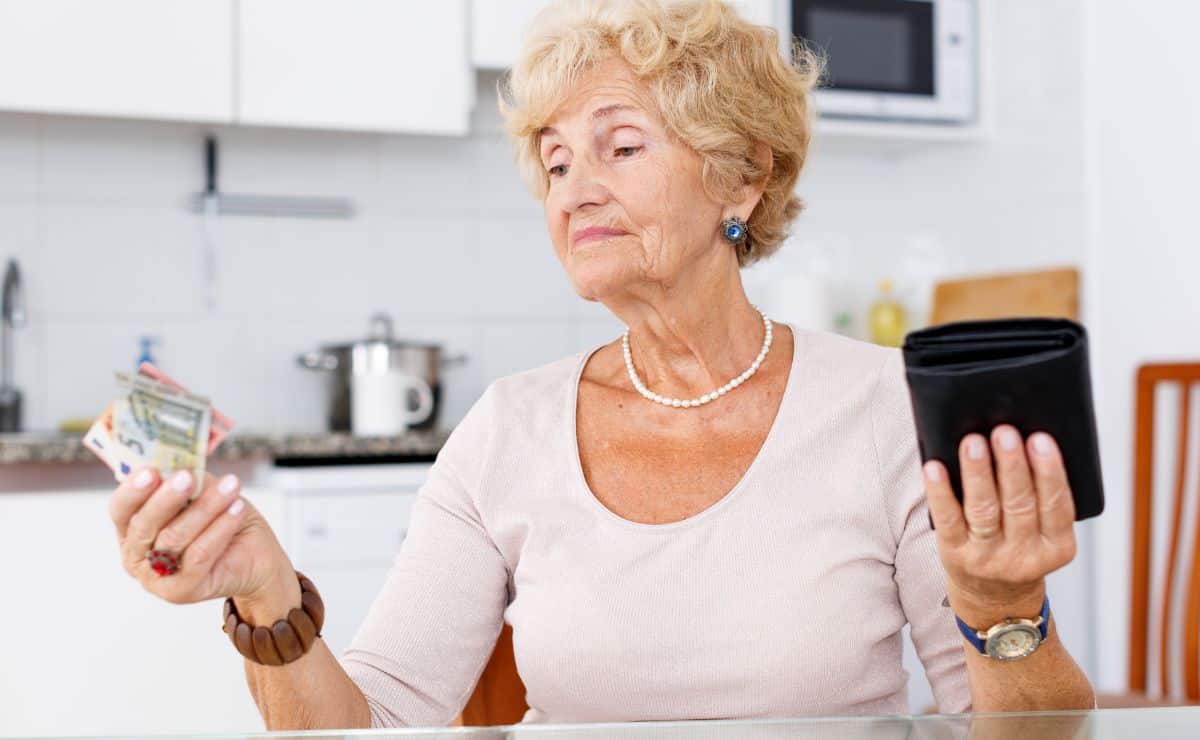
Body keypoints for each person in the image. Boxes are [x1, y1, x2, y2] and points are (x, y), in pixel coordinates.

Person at [107, 0, 1095, 729]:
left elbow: (1013, 726)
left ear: (743, 176)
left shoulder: (881, 405)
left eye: (620, 145)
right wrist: (267, 594)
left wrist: (1004, 609)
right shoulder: (508, 426)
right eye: (554, 160)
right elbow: (375, 723)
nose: (574, 186)